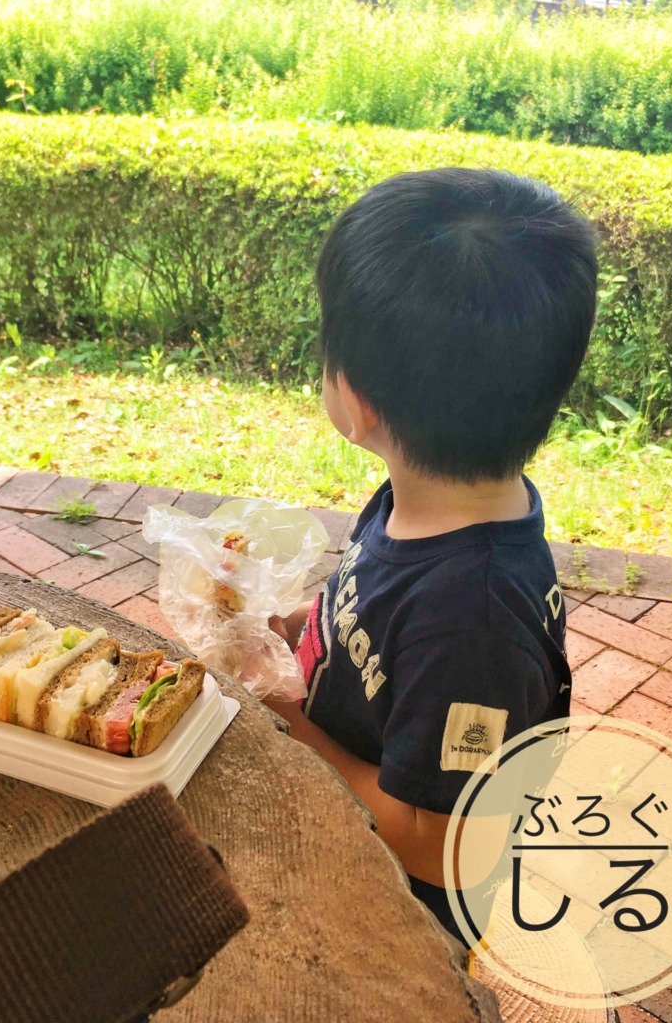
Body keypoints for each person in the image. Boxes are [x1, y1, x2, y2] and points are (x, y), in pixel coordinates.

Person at [266, 168, 598, 945]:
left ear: (355, 401)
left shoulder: (472, 624)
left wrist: (293, 728)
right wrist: (299, 633)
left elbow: (447, 844)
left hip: (402, 917)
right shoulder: (433, 500)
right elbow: (381, 629)